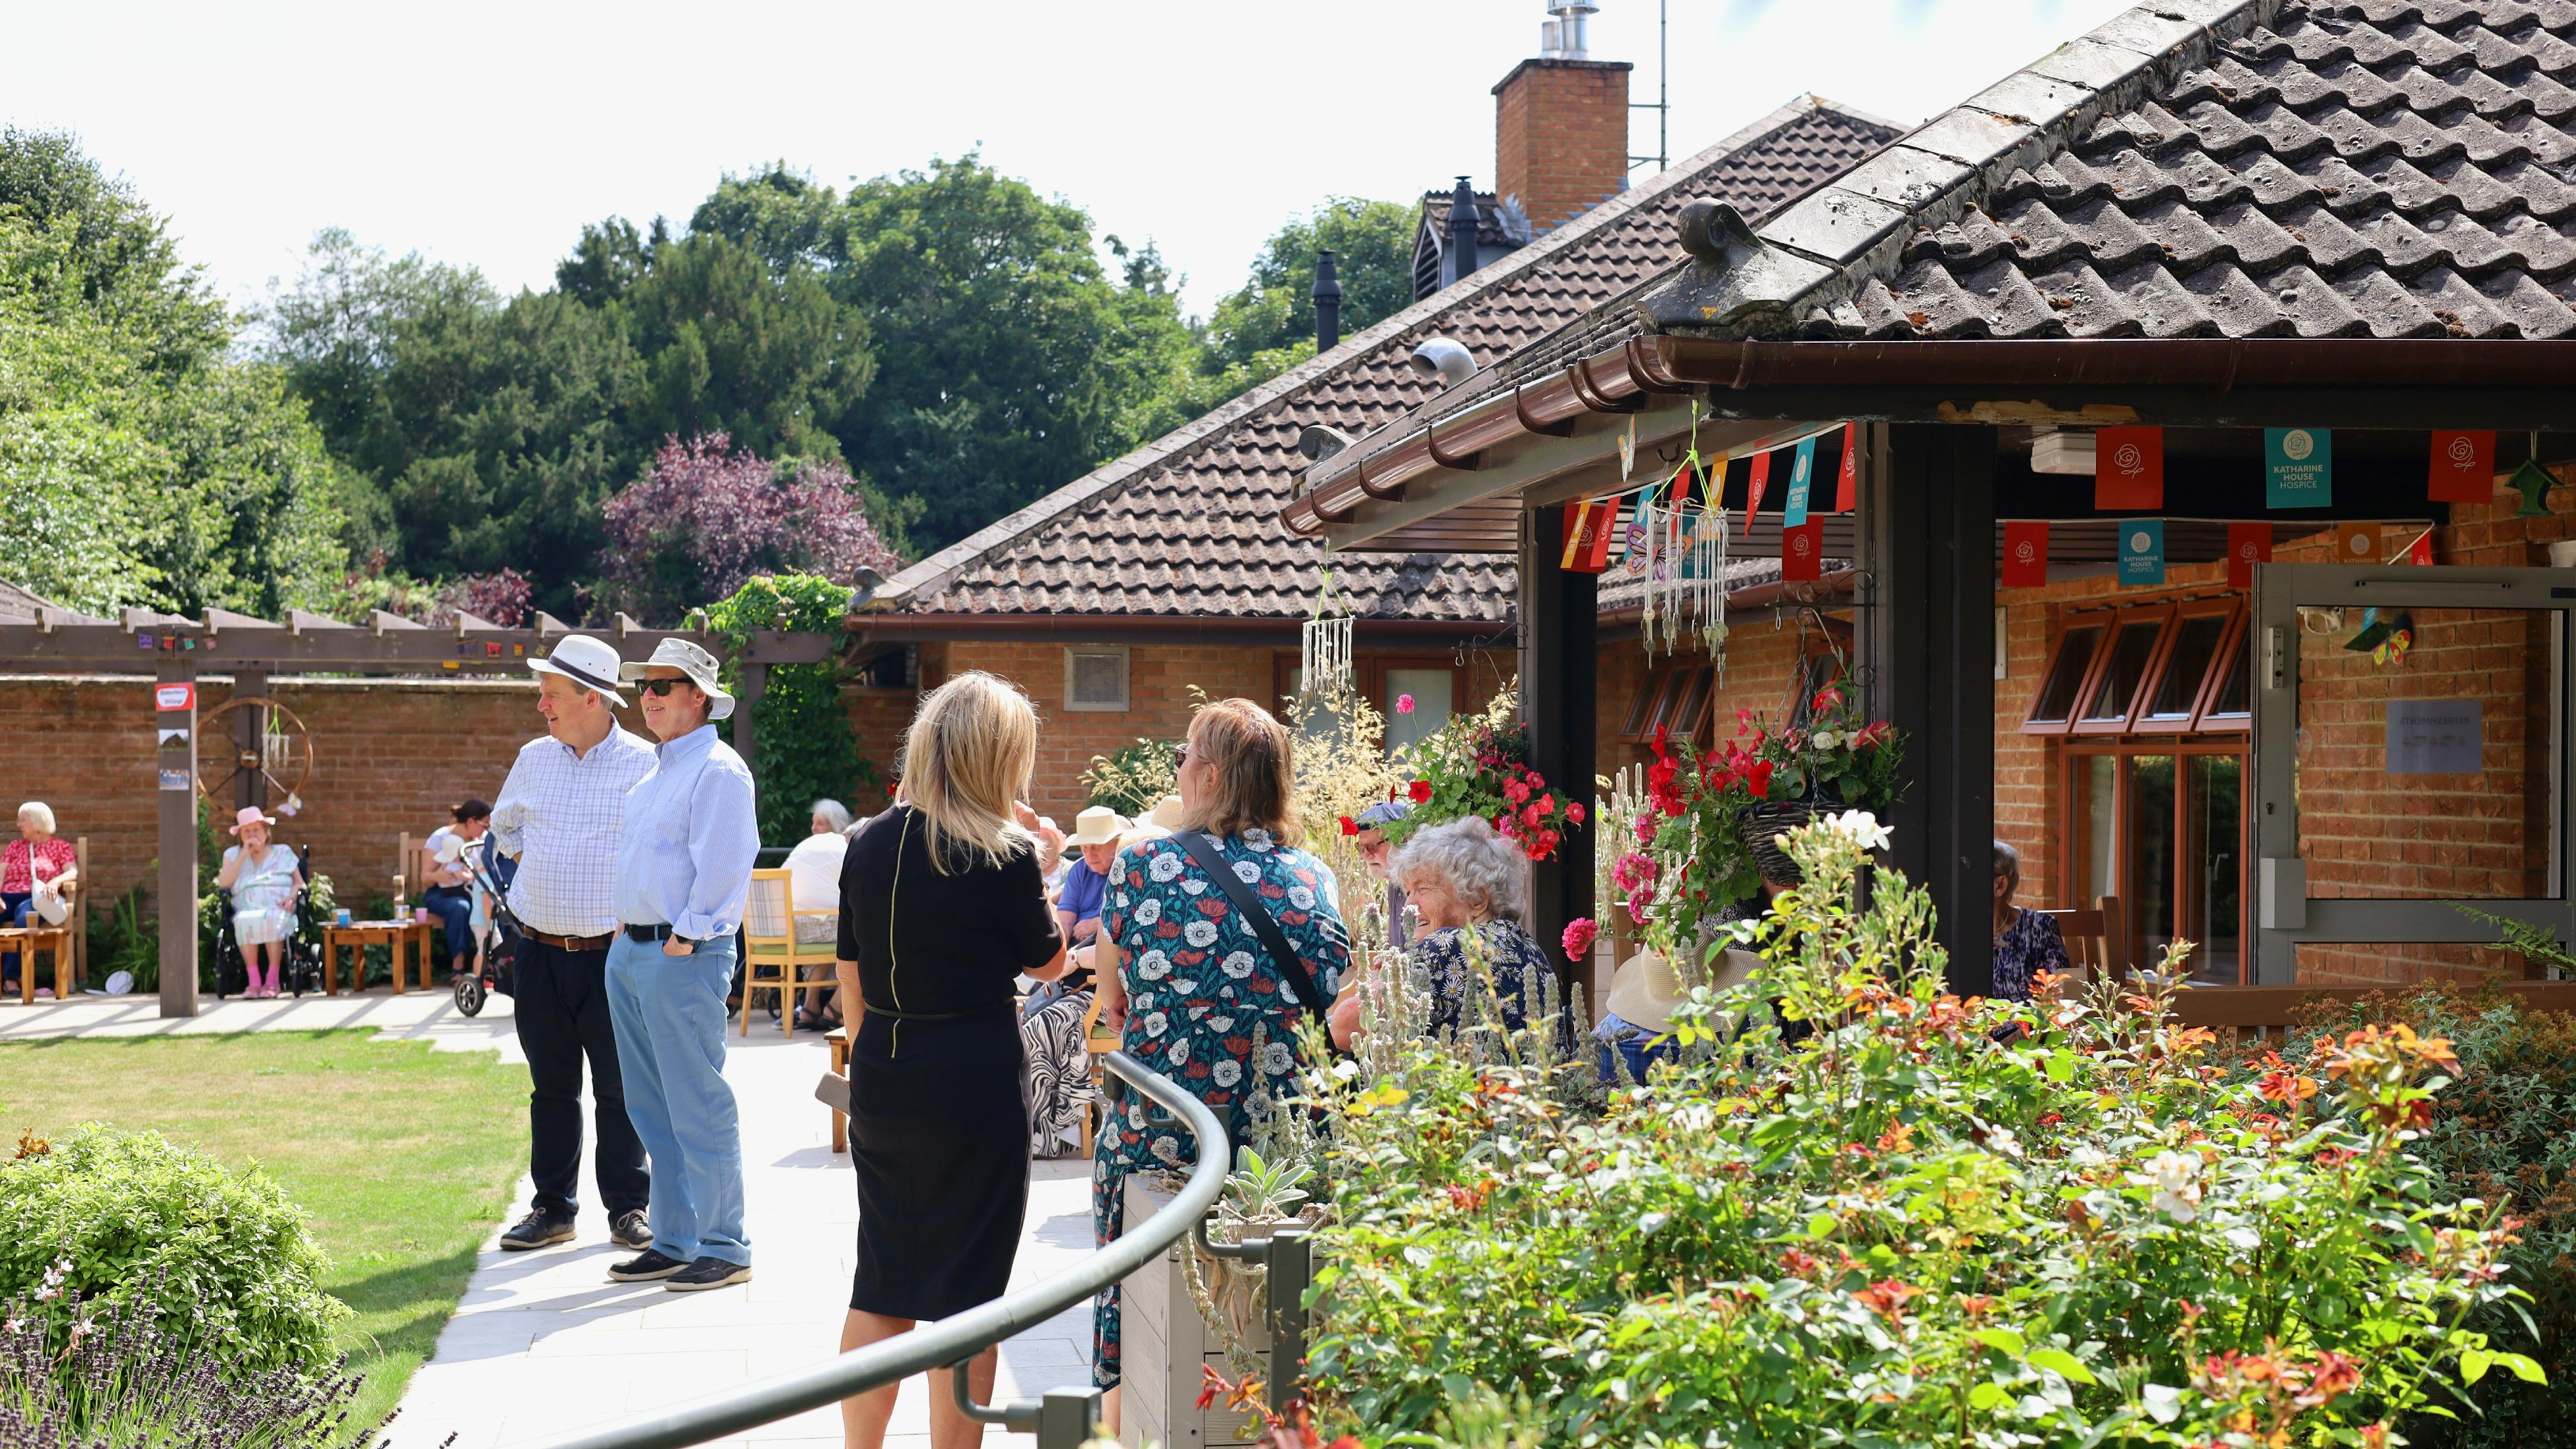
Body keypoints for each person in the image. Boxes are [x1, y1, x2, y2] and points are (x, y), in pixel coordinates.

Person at [1091, 699, 1350, 1426]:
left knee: (1129, 1319)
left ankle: (1120, 1426)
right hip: (1283, 1153)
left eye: (1181, 755)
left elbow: (1109, 999)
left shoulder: (1142, 863)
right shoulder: (1314, 874)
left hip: (1169, 1141)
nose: (1176, 767)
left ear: (1206, 775)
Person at [835, 671, 1069, 1449]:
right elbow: (1046, 962)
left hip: (885, 1071)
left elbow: (849, 973)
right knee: (968, 1293)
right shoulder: (1002, 854)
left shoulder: (866, 841)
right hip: (971, 1077)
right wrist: (1049, 857)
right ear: (1000, 756)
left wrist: (872, 1064)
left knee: (883, 1280)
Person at [489, 635, 657, 1255]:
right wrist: (540, 864)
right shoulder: (534, 757)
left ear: (593, 698)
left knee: (620, 1088)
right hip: (536, 950)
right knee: (551, 1087)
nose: (542, 706)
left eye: (552, 695)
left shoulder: (646, 763)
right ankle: (553, 1210)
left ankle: (628, 1209)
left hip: (614, 957)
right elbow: (504, 828)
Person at [606, 638, 761, 1292]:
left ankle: (726, 1244)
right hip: (633, 952)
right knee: (650, 1106)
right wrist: (626, 938)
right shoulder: (655, 774)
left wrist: (684, 940)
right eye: (644, 685)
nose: (648, 696)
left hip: (681, 953)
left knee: (697, 1102)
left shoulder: (718, 770)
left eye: (662, 685)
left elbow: (727, 867)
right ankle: (675, 1240)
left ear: (699, 694)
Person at [1330, 816, 1553, 1052]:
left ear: (1478, 899)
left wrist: (1381, 980)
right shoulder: (1525, 943)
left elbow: (1344, 1026)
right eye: (1408, 892)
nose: (1408, 906)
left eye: (1423, 889)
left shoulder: (1449, 946)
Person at [788, 800, 853, 1031]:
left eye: (820, 823)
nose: (815, 828)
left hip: (789, 930)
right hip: (816, 927)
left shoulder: (804, 847)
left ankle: (810, 1007)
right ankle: (836, 1008)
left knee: (832, 936)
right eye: (813, 823)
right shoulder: (840, 847)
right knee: (861, 939)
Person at [2, 802, 77, 994]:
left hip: (38, 899)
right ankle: (16, 978)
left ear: (38, 822)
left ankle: (13, 979)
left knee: (25, 918)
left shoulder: (60, 847)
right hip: (7, 897)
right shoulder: (16, 846)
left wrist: (54, 882)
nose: (18, 825)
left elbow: (73, 872)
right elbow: (1, 872)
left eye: (23, 820)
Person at [1991, 839, 2069, 1003]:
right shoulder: (1956, 933)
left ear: (2000, 885)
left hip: (2028, 1026)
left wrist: (2026, 1027)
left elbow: (2059, 994)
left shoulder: (2040, 929)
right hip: (1971, 1028)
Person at [420, 799, 491, 972]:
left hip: (473, 891)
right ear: (471, 822)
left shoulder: (481, 840)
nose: (486, 830)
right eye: (485, 825)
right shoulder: (440, 837)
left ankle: (495, 963)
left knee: (494, 906)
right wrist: (438, 876)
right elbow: (426, 878)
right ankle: (458, 967)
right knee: (460, 908)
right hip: (441, 894)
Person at [1352, 798, 1413, 949]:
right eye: (1362, 848)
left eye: (1372, 847)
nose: (1365, 856)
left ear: (1404, 840)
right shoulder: (1395, 883)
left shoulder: (1427, 887)